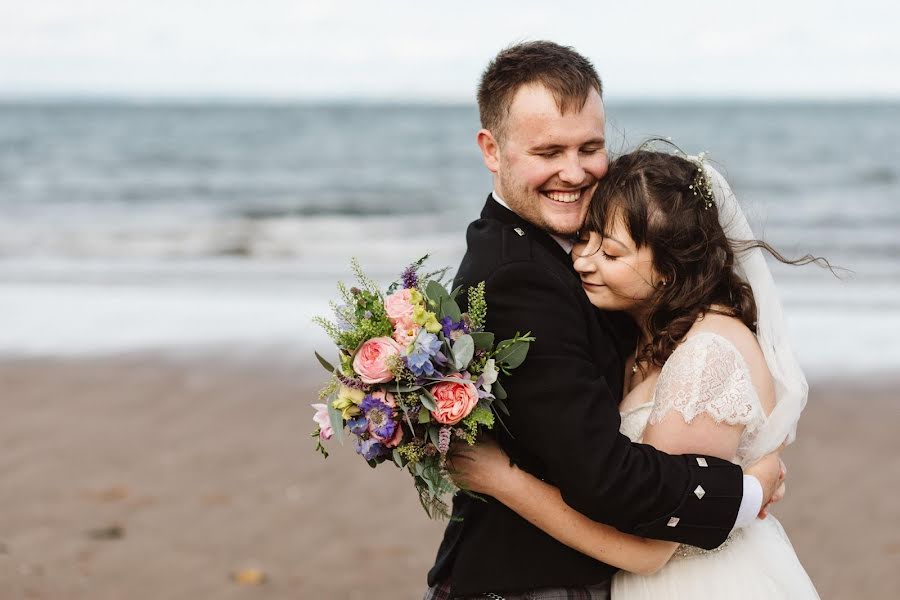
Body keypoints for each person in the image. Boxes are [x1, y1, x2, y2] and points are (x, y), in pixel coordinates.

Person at [423, 41, 785, 600]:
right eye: (548, 152)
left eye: (590, 147)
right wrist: (746, 493)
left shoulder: (570, 256)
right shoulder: (516, 278)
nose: (574, 172)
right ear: (492, 150)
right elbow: (607, 478)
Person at [448, 147, 821, 598]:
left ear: (667, 267)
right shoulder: (645, 335)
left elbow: (649, 552)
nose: (583, 260)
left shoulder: (704, 357)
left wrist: (500, 479)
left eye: (611, 252)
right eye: (585, 239)